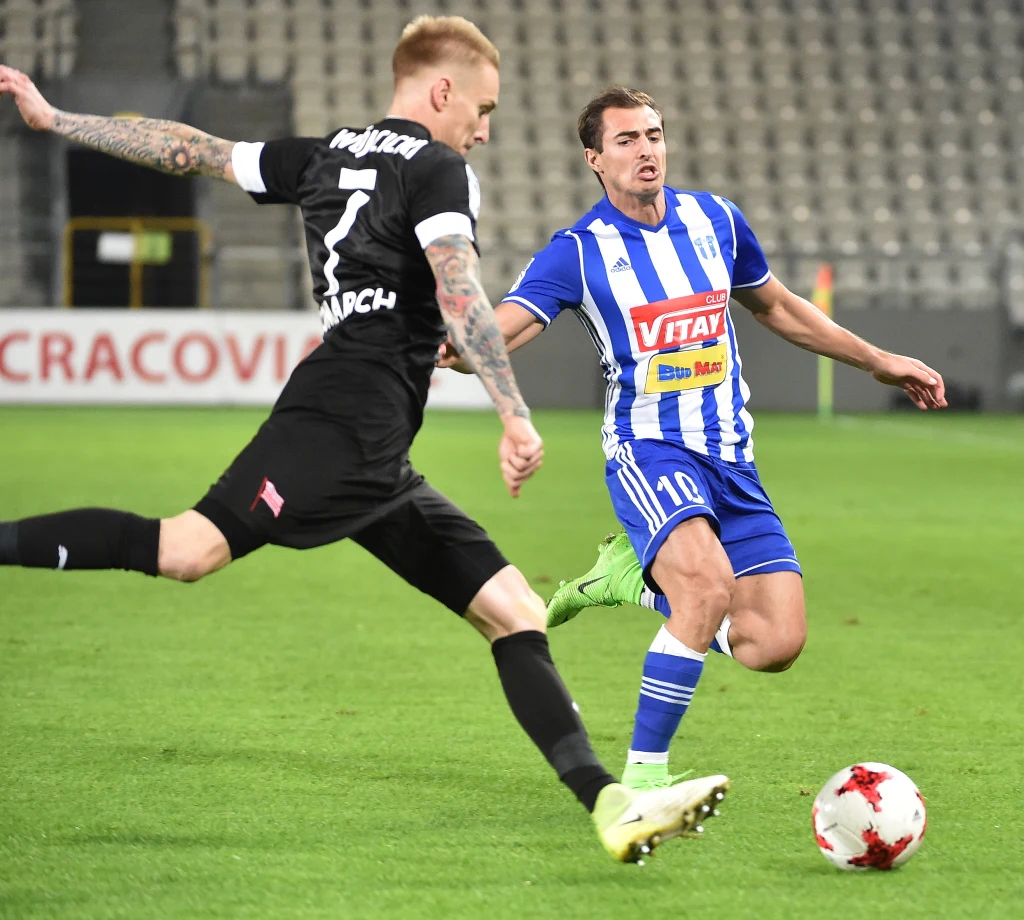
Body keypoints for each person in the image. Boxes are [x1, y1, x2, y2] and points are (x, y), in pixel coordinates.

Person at [0, 25, 731, 864]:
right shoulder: (436, 167)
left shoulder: (323, 155)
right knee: (185, 549)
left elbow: (190, 149)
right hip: (338, 424)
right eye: (483, 109)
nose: (486, 131)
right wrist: (513, 410)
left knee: (516, 611)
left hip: (376, 448)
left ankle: (609, 804)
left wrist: (59, 119)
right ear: (442, 92)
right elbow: (459, 287)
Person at [439, 85, 947, 791]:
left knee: (773, 643)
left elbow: (777, 307)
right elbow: (497, 333)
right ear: (594, 158)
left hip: (731, 457)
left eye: (653, 134)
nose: (646, 150)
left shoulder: (717, 219)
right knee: (706, 589)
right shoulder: (578, 252)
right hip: (649, 449)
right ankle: (643, 784)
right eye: (626, 140)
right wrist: (449, 342)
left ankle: (630, 581)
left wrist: (879, 360)